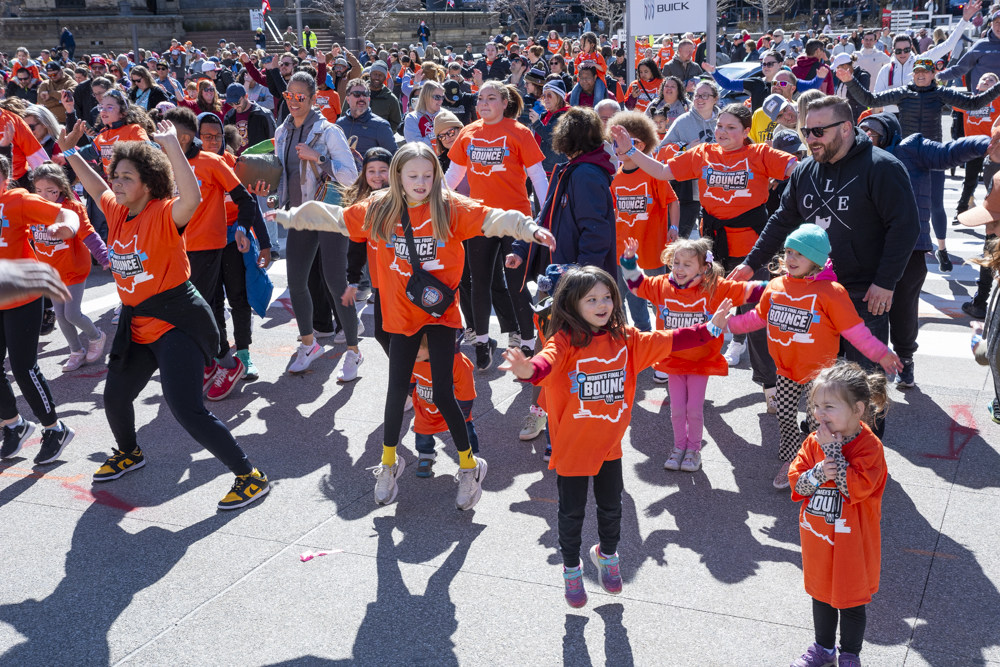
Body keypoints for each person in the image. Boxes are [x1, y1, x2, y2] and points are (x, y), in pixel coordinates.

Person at [271, 142, 556, 510]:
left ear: (436, 176)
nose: (421, 182)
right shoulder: (380, 207)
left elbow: (493, 218)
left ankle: (470, 466)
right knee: (394, 393)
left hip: (440, 315)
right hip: (399, 318)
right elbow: (335, 218)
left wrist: (529, 228)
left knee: (441, 392)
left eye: (427, 175)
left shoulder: (450, 206)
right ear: (398, 177)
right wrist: (292, 216)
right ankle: (389, 463)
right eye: (413, 175)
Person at [61, 119, 271, 508]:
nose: (117, 183)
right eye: (116, 176)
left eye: (126, 177)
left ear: (149, 183)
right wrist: (70, 152)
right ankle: (130, 453)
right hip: (138, 325)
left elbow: (191, 197)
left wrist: (172, 144)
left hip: (177, 324)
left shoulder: (165, 213)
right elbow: (95, 186)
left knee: (187, 409)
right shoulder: (118, 210)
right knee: (115, 396)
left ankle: (250, 476)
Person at [498, 265, 734, 607]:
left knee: (612, 509)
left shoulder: (626, 339)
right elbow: (545, 364)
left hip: (609, 446)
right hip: (573, 449)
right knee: (571, 515)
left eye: (607, 296)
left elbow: (672, 339)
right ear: (572, 304)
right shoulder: (563, 341)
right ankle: (571, 569)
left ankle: (606, 556)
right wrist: (526, 370)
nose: (601, 304)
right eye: (591, 298)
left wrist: (712, 327)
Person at [728, 95, 919, 440]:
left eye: (818, 131)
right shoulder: (805, 170)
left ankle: (865, 454)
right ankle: (823, 446)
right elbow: (781, 220)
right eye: (805, 131)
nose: (810, 138)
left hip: (864, 294)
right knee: (823, 383)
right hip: (814, 295)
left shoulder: (882, 167)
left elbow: (905, 228)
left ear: (846, 128)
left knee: (862, 384)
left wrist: (886, 282)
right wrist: (750, 263)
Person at [614, 102, 794, 409]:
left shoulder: (760, 154)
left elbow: (799, 168)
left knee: (758, 315)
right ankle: (686, 369)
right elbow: (662, 170)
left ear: (746, 131)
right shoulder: (703, 154)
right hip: (712, 249)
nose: (723, 132)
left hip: (752, 251)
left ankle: (769, 384)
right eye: (720, 126)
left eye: (731, 128)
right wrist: (630, 150)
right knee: (695, 309)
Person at [728, 225, 901, 489]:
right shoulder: (775, 286)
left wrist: (883, 354)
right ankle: (790, 458)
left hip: (819, 378)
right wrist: (727, 325)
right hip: (785, 370)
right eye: (788, 251)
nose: (791, 259)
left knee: (818, 422)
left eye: (800, 254)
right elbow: (758, 318)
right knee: (784, 416)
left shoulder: (832, 292)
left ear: (817, 261)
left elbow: (856, 332)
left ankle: (816, 464)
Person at [859, 112, 989, 389]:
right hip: (871, 249)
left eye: (874, 131)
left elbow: (949, 152)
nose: (868, 136)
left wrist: (986, 144)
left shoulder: (911, 149)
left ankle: (905, 363)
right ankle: (874, 367)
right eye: (863, 132)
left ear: (889, 132)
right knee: (871, 310)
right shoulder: (858, 159)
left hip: (911, 249)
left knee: (904, 312)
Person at [839, 58, 1000, 271]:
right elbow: (870, 98)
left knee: (936, 206)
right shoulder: (904, 92)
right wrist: (850, 81)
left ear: (933, 74)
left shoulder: (941, 93)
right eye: (917, 72)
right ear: (912, 75)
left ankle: (941, 250)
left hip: (934, 154)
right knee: (905, 206)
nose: (921, 74)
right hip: (907, 155)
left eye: (925, 71)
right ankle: (904, 251)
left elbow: (974, 104)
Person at [622, 236, 765, 469]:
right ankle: (679, 447)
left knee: (694, 411)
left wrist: (784, 287)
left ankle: (694, 451)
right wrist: (629, 260)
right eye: (676, 262)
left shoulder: (716, 287)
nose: (679, 268)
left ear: (703, 267)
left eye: (687, 264)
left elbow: (750, 291)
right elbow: (637, 285)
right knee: (677, 411)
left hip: (700, 362)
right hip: (672, 360)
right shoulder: (661, 285)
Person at [787, 361, 889, 667]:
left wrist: (833, 453)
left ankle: (849, 655)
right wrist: (817, 472)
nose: (820, 414)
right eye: (817, 406)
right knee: (821, 597)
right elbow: (798, 483)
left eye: (829, 406)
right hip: (819, 541)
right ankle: (823, 648)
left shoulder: (869, 448)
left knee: (853, 603)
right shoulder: (812, 442)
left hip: (853, 546)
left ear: (857, 410)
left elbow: (854, 489)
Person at [444, 81, 549, 369]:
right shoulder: (468, 132)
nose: (484, 103)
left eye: (491, 98)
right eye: (480, 99)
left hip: (516, 221)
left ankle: (528, 342)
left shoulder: (519, 132)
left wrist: (548, 214)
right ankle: (481, 341)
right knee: (479, 283)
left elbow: (538, 176)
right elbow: (453, 174)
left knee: (516, 284)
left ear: (505, 103)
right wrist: (432, 200)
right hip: (480, 219)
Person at [0, 154, 78, 465]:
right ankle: (13, 425)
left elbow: (64, 214)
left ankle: (54, 428)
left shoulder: (16, 200)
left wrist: (67, 229)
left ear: (4, 177)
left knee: (23, 367)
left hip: (23, 296)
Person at [28, 162, 108, 372]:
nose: (44, 195)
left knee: (72, 314)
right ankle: (76, 352)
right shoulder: (33, 207)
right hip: (52, 273)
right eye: (38, 190)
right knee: (61, 317)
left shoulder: (72, 208)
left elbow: (89, 234)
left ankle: (96, 336)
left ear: (62, 188)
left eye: (50, 191)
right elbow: (26, 236)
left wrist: (104, 257)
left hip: (74, 269)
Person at [606, 112, 679, 337]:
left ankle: (664, 338)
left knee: (656, 295)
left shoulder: (653, 172)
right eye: (616, 142)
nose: (621, 147)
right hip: (622, 249)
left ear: (643, 145)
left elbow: (673, 201)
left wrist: (674, 227)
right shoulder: (615, 176)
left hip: (652, 248)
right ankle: (637, 334)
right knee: (625, 293)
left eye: (630, 142)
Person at [409, 333, 478, 477]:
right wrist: (410, 390)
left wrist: (463, 410)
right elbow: (409, 378)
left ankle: (472, 456)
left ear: (433, 346)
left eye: (419, 348)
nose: (414, 351)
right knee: (422, 431)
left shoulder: (455, 361)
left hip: (453, 407)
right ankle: (425, 455)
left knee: (465, 429)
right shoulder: (412, 359)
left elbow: (466, 387)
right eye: (412, 346)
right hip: (426, 407)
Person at [335, 78, 397, 158]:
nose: (361, 97)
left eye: (365, 94)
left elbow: (394, 157)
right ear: (347, 99)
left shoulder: (380, 126)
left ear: (369, 99)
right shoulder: (339, 124)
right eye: (357, 94)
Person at [223, 82, 276, 156]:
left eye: (237, 102)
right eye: (231, 104)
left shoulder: (264, 114)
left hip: (260, 163)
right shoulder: (229, 116)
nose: (234, 107)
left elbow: (274, 142)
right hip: (237, 163)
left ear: (246, 96)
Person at [403, 80, 443, 146]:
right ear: (425, 97)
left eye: (442, 97)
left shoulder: (447, 114)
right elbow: (416, 145)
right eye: (437, 97)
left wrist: (427, 139)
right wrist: (441, 138)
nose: (441, 101)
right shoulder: (412, 117)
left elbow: (455, 140)